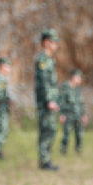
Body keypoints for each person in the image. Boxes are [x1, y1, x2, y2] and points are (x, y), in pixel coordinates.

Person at [34, 28, 60, 171]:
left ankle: (47, 159)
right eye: (53, 41)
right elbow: (44, 82)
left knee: (51, 129)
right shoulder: (43, 60)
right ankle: (44, 161)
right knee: (46, 130)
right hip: (45, 103)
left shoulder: (49, 60)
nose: (56, 44)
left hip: (50, 101)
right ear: (46, 42)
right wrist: (49, 100)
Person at [59, 69, 87, 154]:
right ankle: (63, 150)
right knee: (66, 134)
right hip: (68, 115)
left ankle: (78, 150)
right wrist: (62, 114)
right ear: (73, 77)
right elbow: (61, 101)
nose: (80, 80)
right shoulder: (65, 87)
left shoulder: (77, 89)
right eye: (79, 78)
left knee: (79, 134)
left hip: (78, 115)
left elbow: (81, 103)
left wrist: (84, 115)